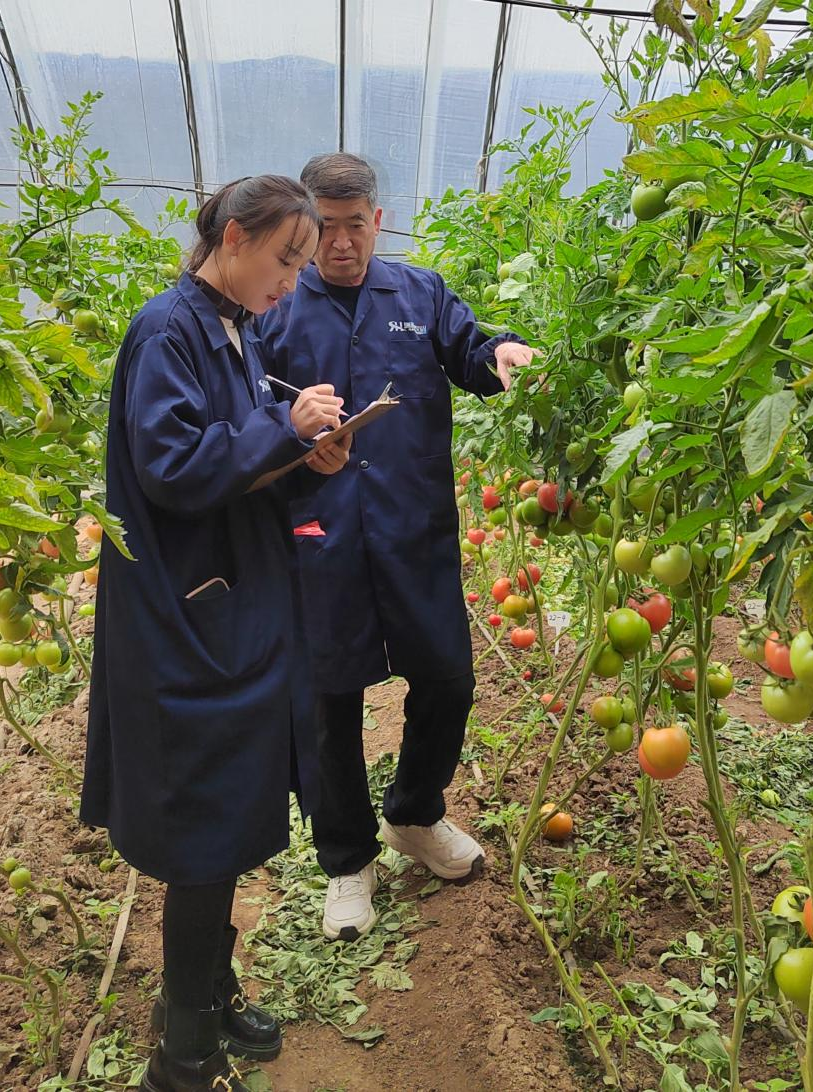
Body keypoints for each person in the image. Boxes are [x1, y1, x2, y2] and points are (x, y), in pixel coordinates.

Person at [80, 175, 352, 1092]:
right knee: (205, 828)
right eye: (285, 259)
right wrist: (282, 427)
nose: (292, 280)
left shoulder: (235, 330)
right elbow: (171, 466)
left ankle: (204, 993)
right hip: (186, 621)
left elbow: (238, 462)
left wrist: (306, 456)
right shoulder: (168, 330)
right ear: (232, 238)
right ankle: (182, 1051)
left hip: (229, 606)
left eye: (300, 267)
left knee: (228, 819)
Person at [257, 152, 538, 942]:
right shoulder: (278, 312)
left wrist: (502, 352)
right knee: (330, 703)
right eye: (326, 229)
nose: (341, 243)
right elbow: (249, 413)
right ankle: (347, 860)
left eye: (355, 226)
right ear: (306, 227)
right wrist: (290, 440)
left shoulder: (420, 294)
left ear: (377, 221)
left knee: (448, 680)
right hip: (320, 535)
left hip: (412, 530)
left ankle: (413, 814)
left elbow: (471, 352)